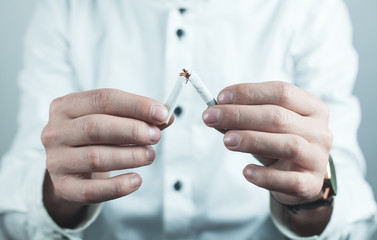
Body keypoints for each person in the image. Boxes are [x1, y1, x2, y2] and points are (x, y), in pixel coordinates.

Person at [0, 0, 376, 239]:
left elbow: (357, 219)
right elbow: (14, 216)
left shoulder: (310, 9)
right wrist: (57, 192)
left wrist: (312, 198)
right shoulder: (64, 9)